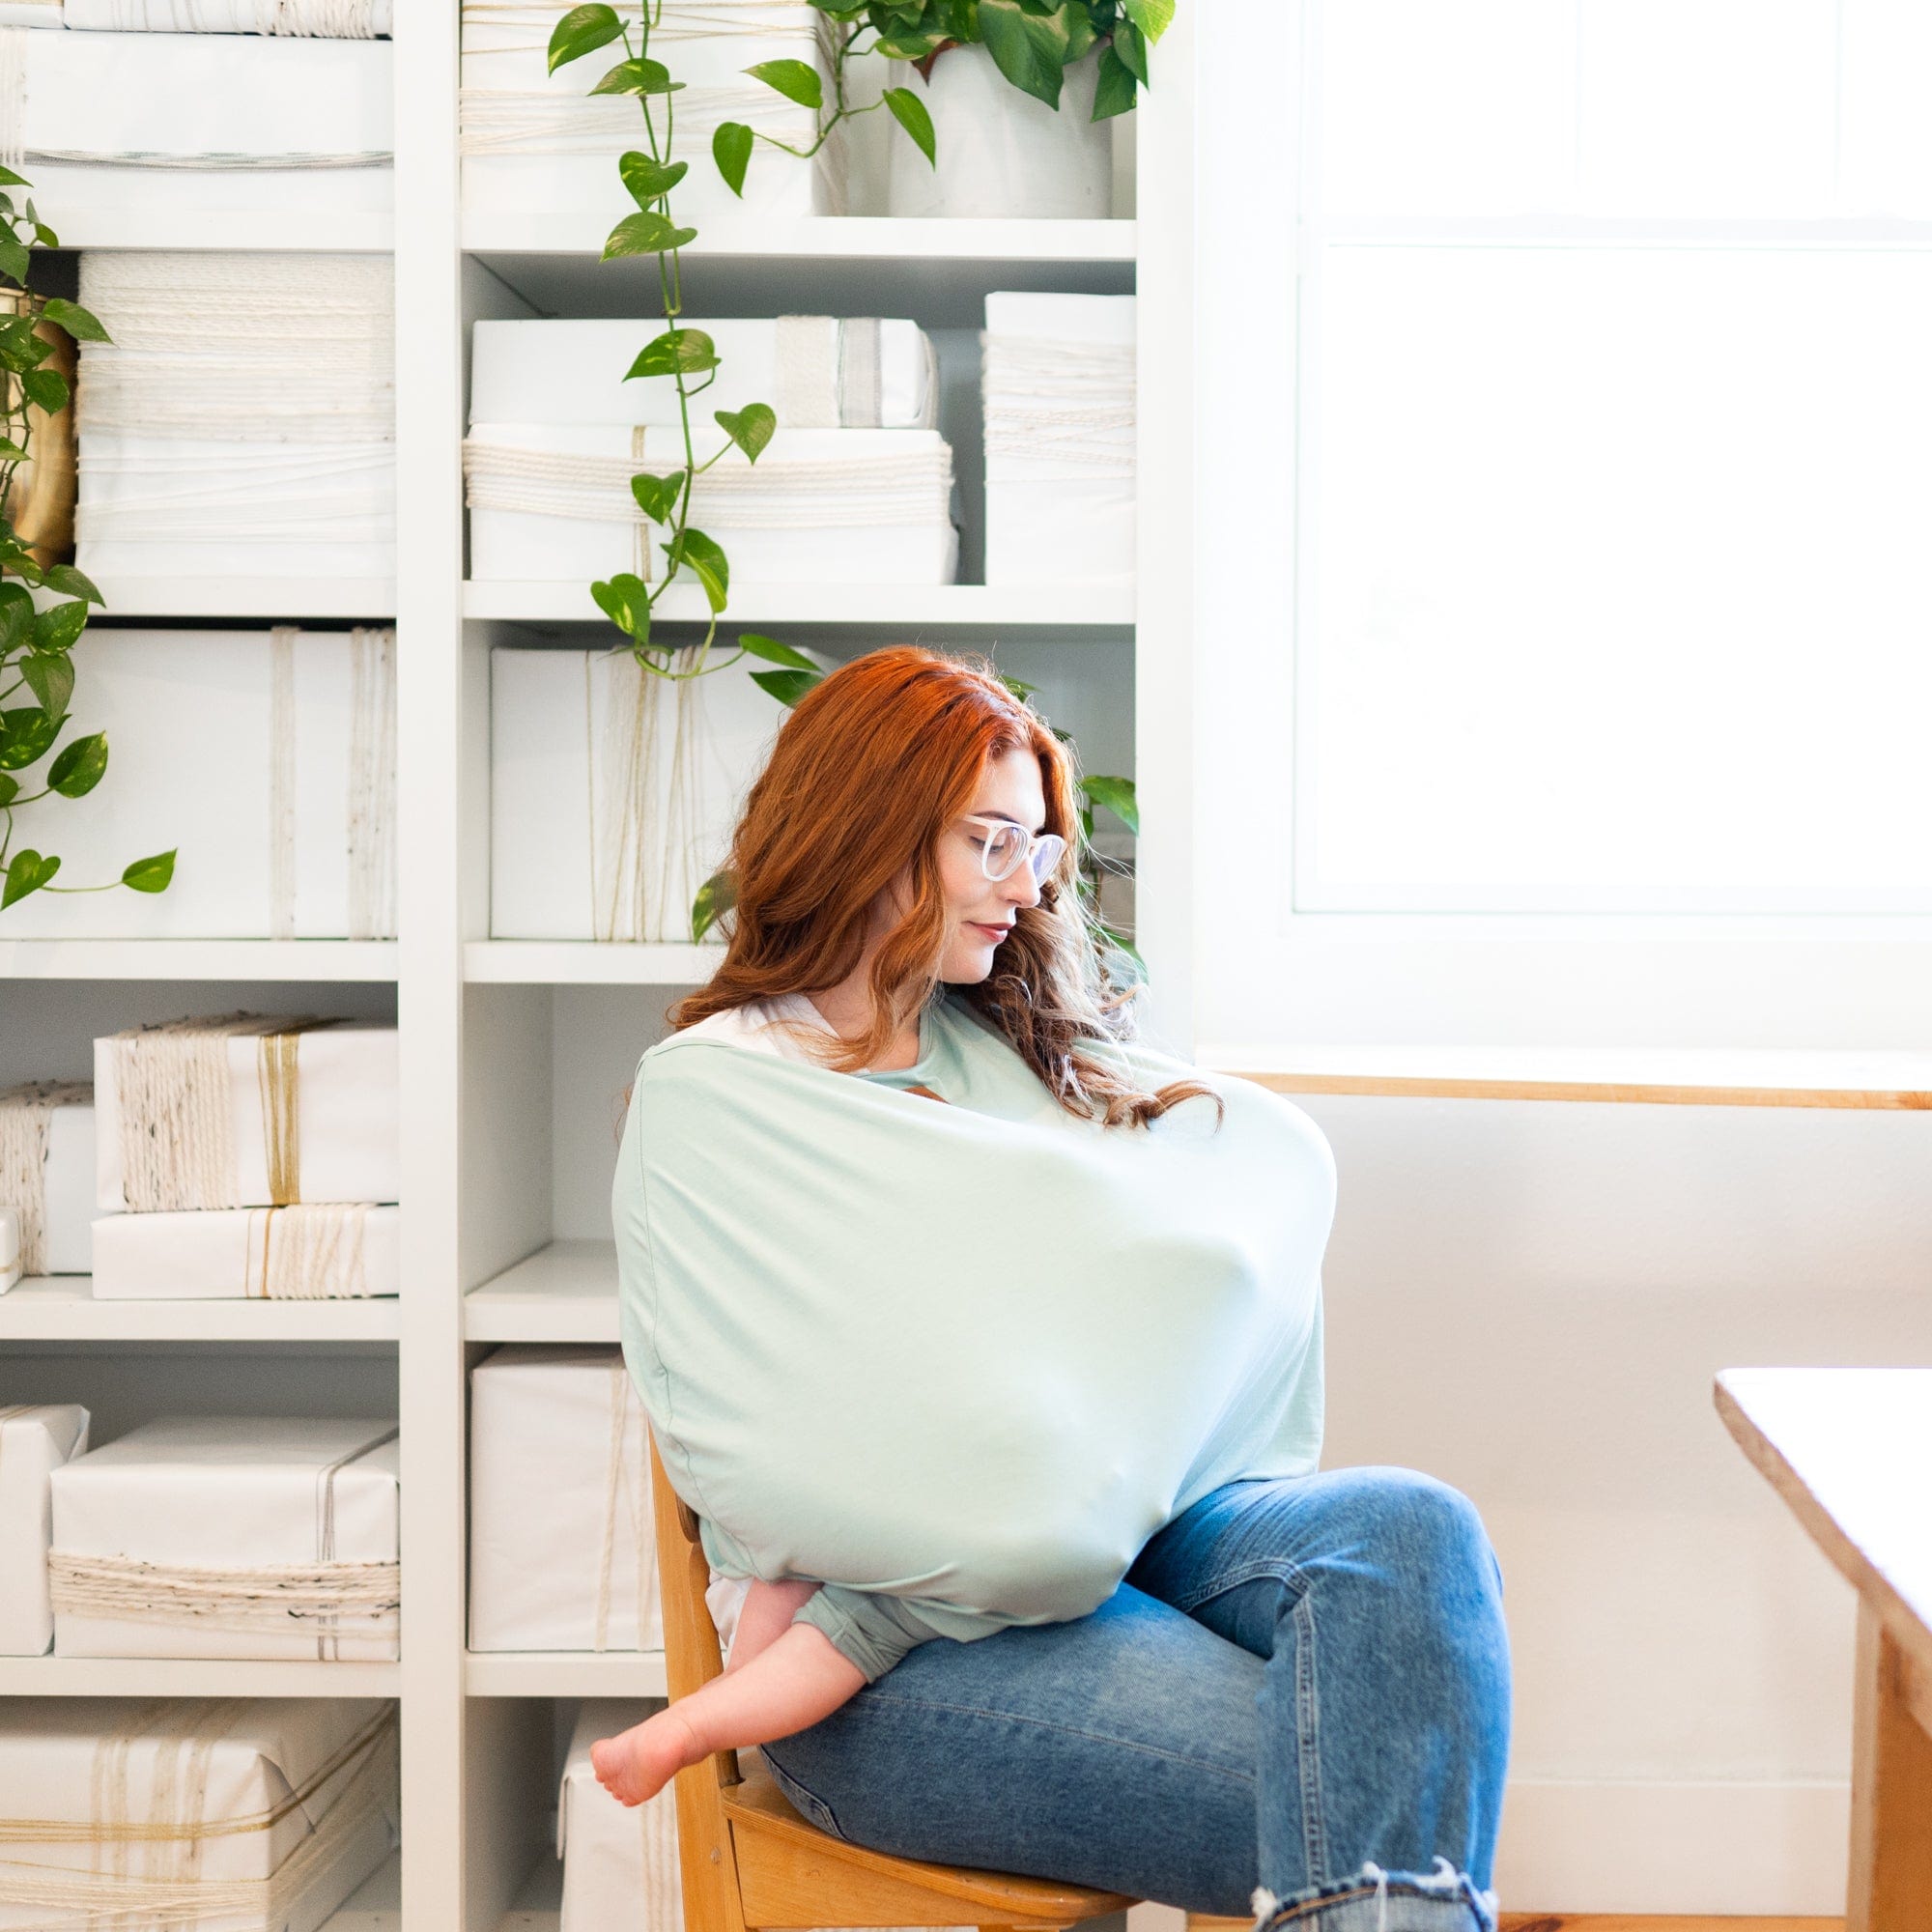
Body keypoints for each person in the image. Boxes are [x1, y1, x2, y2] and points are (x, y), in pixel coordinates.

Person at [595, 647, 1512, 1932]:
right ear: (868, 826)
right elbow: (776, 1457)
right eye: (989, 842)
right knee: (1381, 1761)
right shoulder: (722, 1098)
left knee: (1412, 1533)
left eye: (1036, 850)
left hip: (1131, 1531)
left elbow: (1208, 1229)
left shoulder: (1011, 1056)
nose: (1023, 889)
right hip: (878, 1672)